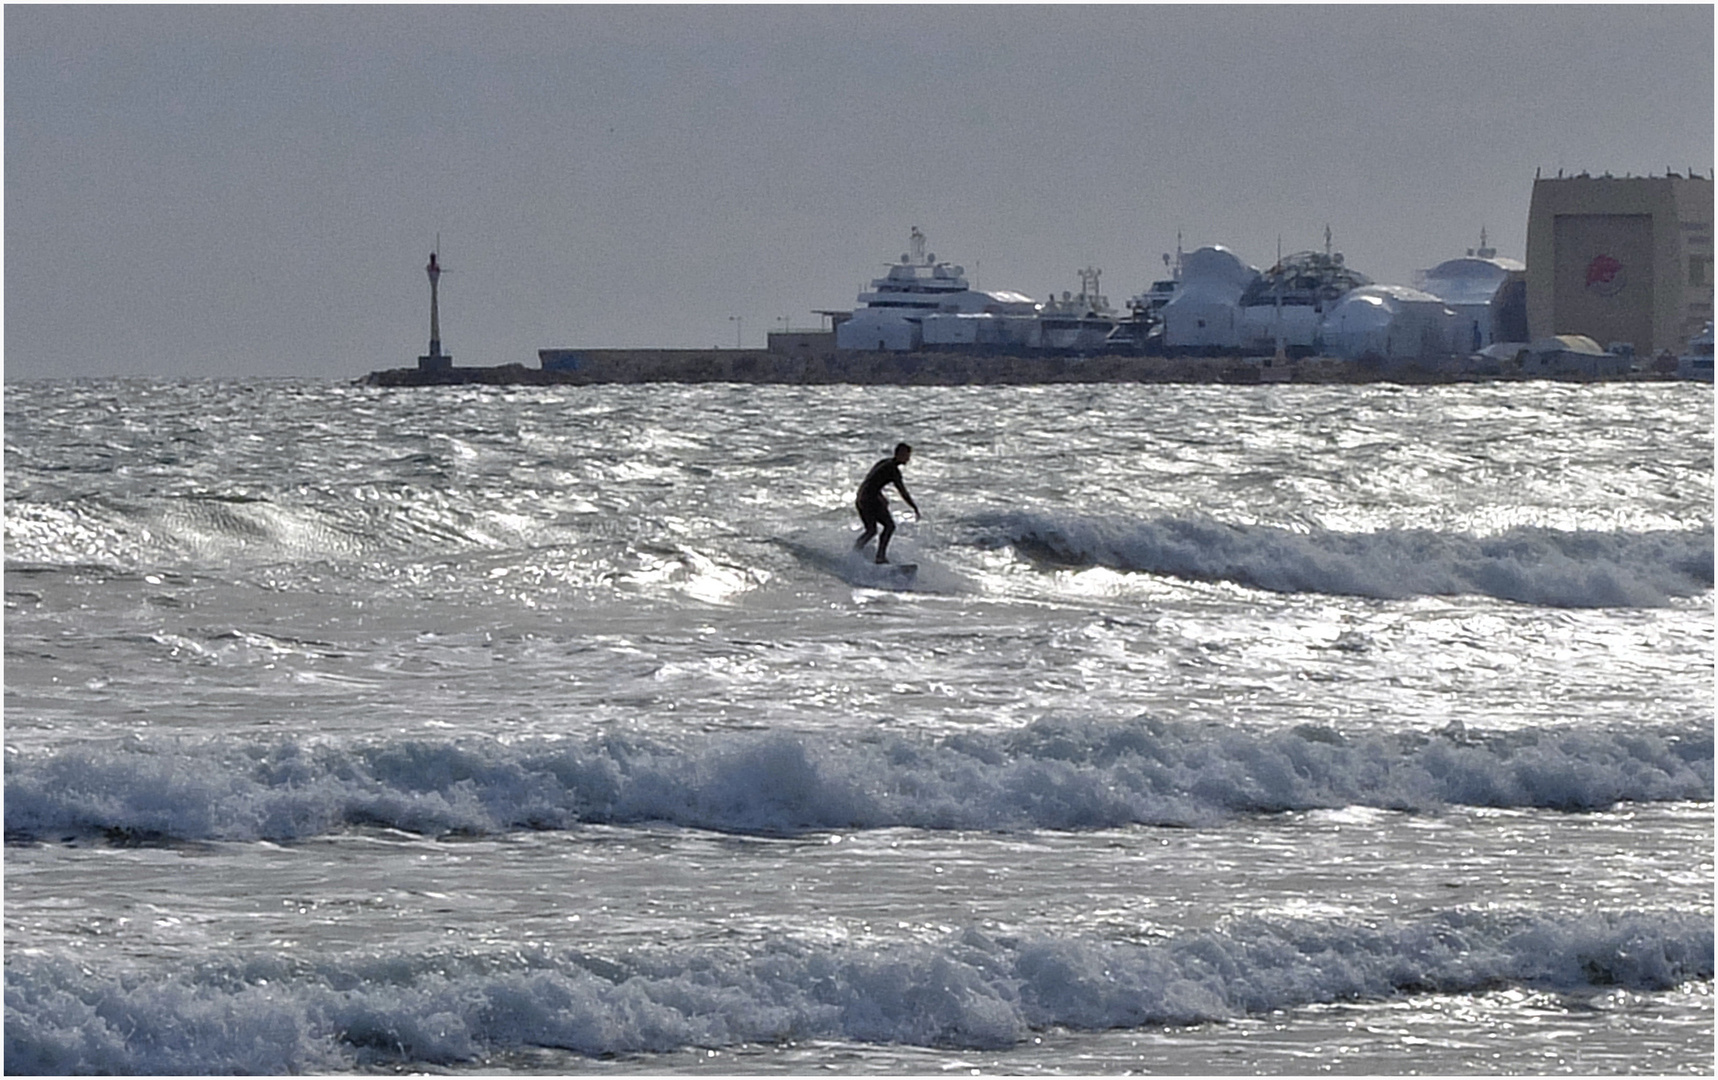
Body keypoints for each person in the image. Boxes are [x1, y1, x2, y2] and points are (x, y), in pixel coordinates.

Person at [854, 442, 919, 564]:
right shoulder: (893, 470)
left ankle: (856, 550)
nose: (908, 459)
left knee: (871, 530)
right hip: (869, 500)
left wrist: (880, 496)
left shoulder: (884, 462)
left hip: (861, 498)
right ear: (899, 454)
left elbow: (870, 482)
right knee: (889, 526)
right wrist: (914, 507)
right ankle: (880, 557)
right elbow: (903, 492)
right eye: (907, 455)